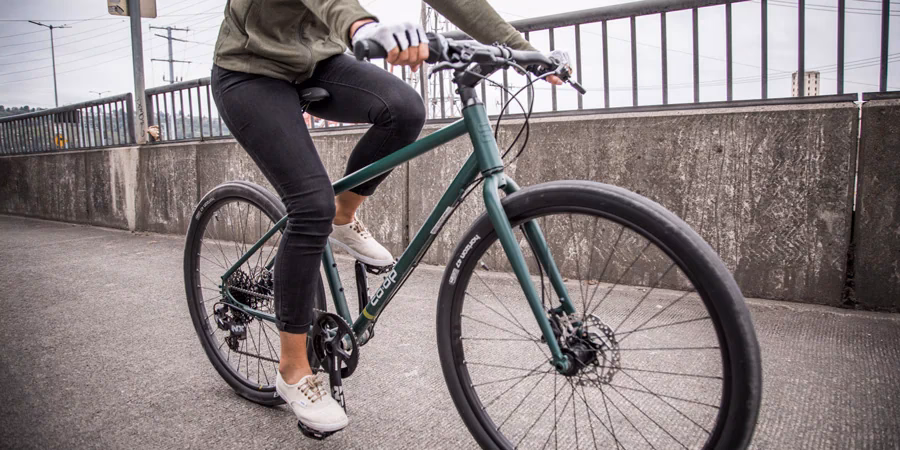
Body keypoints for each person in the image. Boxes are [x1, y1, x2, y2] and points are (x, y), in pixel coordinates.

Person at [210, 0, 562, 435]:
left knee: (404, 109)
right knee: (310, 205)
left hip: (318, 60)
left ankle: (344, 215)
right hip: (251, 69)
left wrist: (521, 49)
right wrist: (361, 26)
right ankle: (293, 369)